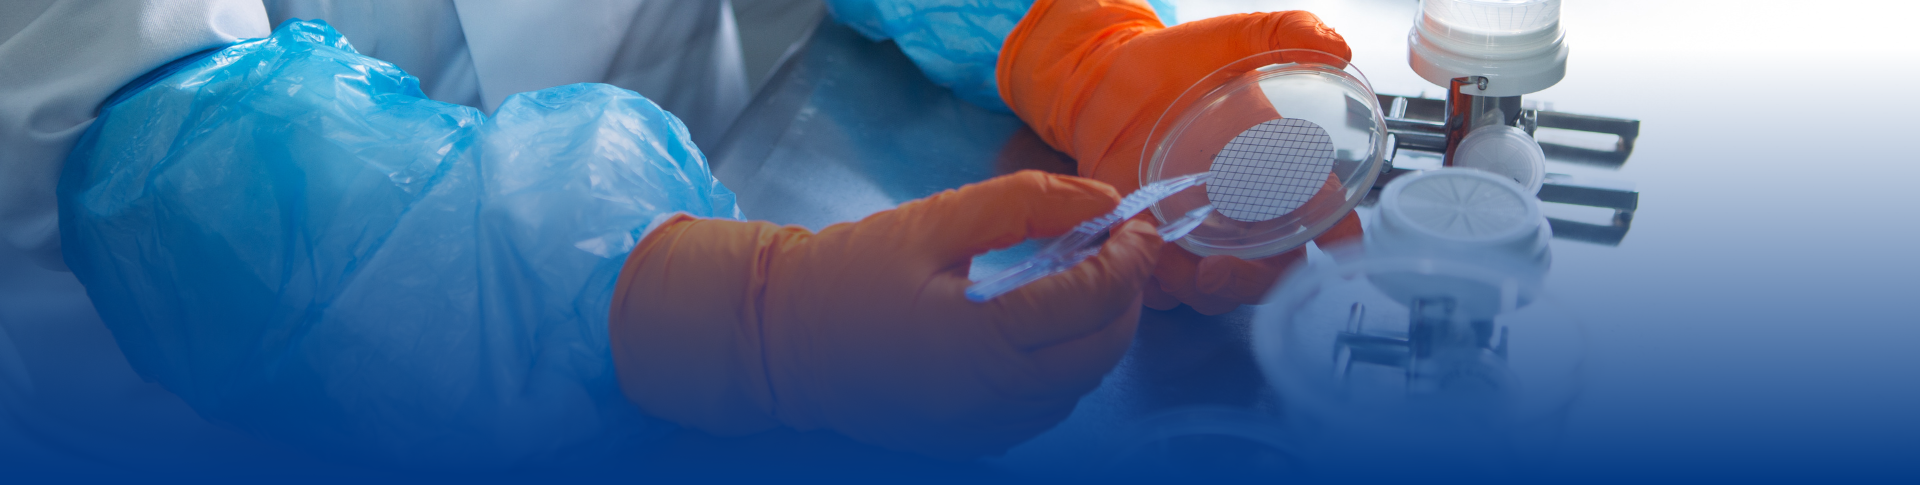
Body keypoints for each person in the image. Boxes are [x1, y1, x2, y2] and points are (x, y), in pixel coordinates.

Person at [0, 0, 1358, 474]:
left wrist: (1065, 40)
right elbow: (176, 154)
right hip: (241, 397)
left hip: (727, 195)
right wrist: (748, 315)